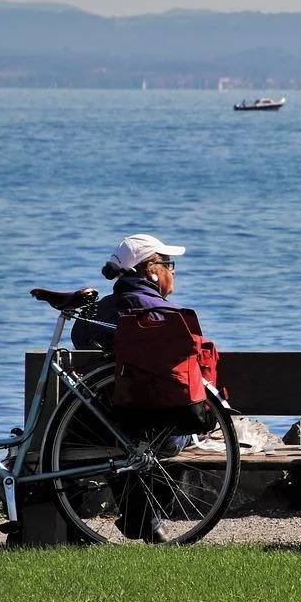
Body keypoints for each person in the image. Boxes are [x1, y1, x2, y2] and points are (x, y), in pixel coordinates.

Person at [72, 233, 189, 543]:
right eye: (169, 264)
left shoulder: (93, 314)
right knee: (172, 432)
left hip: (100, 425)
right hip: (155, 429)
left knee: (122, 430)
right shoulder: (169, 317)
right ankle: (144, 520)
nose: (173, 271)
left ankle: (142, 521)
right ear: (151, 269)